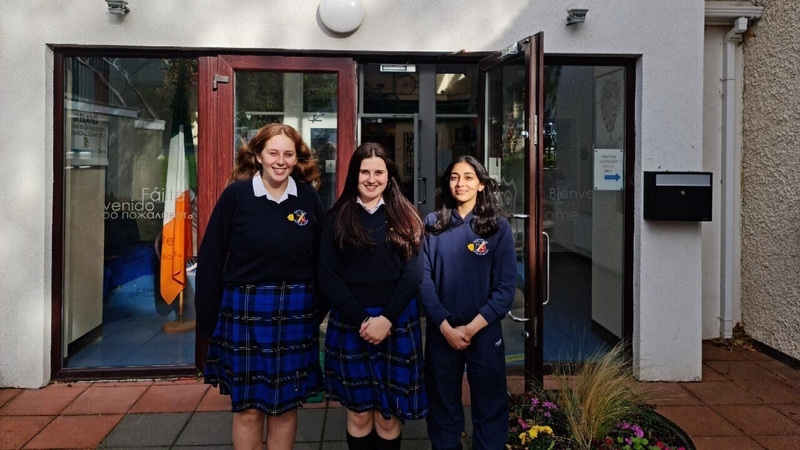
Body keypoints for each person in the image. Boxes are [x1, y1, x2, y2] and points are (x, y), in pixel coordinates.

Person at [196, 123, 325, 450]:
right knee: (249, 409)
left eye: (288, 154)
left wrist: (315, 312)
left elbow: (325, 260)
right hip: (244, 312)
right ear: (257, 155)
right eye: (273, 153)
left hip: (295, 314)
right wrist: (208, 320)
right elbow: (211, 257)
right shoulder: (236, 196)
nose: (280, 161)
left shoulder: (308, 198)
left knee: (285, 409)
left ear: (297, 159)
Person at [318, 142, 427, 450]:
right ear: (354, 175)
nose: (371, 178)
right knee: (361, 414)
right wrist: (364, 320)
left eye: (378, 172)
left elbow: (414, 273)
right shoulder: (336, 219)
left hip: (397, 321)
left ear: (388, 175)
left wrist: (387, 319)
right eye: (364, 171)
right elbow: (329, 278)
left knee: (389, 416)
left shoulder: (408, 217)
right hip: (352, 323)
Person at [419, 155, 517, 450]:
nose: (460, 183)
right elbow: (423, 281)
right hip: (442, 332)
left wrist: (472, 328)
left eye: (468, 177)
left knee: (490, 407)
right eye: (454, 177)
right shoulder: (433, 224)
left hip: (484, 332)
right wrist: (446, 326)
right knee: (443, 409)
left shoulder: (498, 228)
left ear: (482, 184)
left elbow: (505, 289)